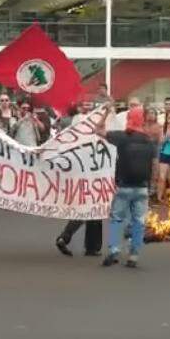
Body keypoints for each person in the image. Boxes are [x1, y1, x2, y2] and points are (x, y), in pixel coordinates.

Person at [98, 106, 155, 268]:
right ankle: (134, 255)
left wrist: (106, 113)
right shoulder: (148, 141)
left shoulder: (122, 137)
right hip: (142, 187)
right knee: (138, 222)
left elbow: (98, 130)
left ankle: (114, 250)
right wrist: (152, 185)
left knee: (116, 219)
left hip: (123, 185)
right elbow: (154, 165)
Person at [55, 100, 102, 257]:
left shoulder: (77, 124)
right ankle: (82, 243)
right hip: (90, 172)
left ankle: (87, 245)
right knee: (91, 208)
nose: (88, 108)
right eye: (85, 105)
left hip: (85, 171)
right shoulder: (80, 122)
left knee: (90, 209)